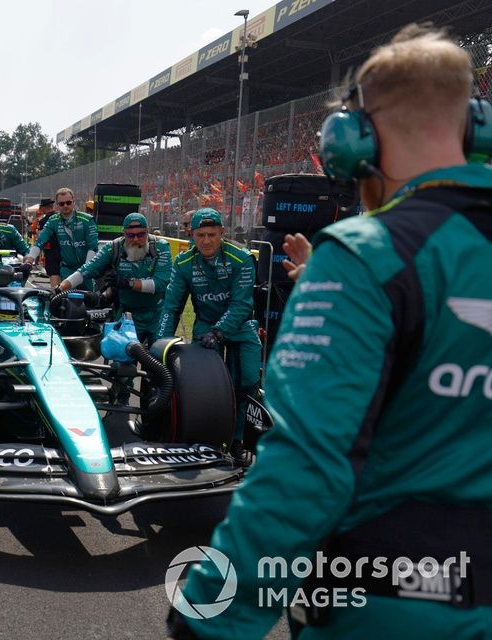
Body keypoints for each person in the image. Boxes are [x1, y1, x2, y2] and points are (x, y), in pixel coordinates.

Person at [168, 25, 492, 639]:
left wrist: (212, 613)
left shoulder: (367, 256)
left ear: (352, 140)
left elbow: (307, 468)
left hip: (394, 604)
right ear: (476, 130)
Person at [156, 208, 259, 465]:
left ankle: (237, 441)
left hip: (241, 327)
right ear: (191, 234)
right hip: (205, 327)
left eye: (212, 235)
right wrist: (160, 344)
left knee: (246, 382)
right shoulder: (183, 263)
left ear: (222, 233)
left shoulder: (242, 258)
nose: (206, 241)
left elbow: (241, 305)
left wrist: (219, 331)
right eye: (200, 235)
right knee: (198, 385)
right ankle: (202, 438)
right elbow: (171, 306)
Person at [58, 212, 171, 344]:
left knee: (160, 354)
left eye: (141, 234)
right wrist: (61, 288)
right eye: (130, 235)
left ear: (148, 231)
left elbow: (160, 283)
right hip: (127, 314)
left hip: (157, 314)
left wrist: (128, 284)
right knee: (120, 354)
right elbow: (87, 270)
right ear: (124, 234)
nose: (136, 239)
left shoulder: (161, 247)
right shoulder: (113, 248)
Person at [24, 187, 98, 289]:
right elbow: (40, 242)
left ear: (73, 201)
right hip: (66, 270)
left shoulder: (87, 220)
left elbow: (92, 247)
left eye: (68, 202)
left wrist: (86, 269)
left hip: (86, 269)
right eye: (62, 204)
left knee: (89, 298)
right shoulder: (53, 220)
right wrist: (29, 260)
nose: (65, 206)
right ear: (57, 205)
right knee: (62, 298)